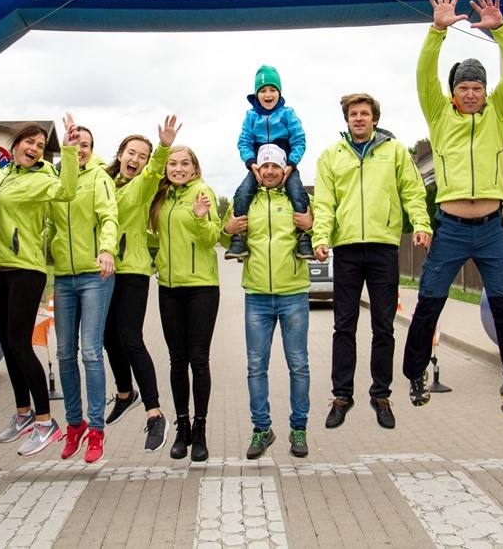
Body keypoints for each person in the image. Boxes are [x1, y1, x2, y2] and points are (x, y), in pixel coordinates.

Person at [402, 0, 503, 417]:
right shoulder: (439, 116)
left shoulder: (497, 112)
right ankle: (415, 372)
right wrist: (436, 32)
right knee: (429, 301)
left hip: (492, 229)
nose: (471, 93)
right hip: (451, 228)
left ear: (485, 91)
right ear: (454, 92)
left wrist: (502, 32)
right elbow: (423, 76)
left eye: (477, 87)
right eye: (464, 87)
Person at [313, 93, 432, 430]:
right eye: (353, 114)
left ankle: (381, 394)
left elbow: (412, 190)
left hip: (383, 249)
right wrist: (320, 237)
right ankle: (342, 396)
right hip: (348, 250)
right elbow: (324, 203)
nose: (359, 118)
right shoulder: (330, 157)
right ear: (346, 119)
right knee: (343, 326)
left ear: (375, 119)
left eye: (365, 113)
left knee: (384, 326)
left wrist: (421, 223)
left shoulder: (394, 151)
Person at [0, 116, 79, 456]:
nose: (34, 148)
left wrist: (66, 152)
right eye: (29, 142)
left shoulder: (42, 178)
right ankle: (22, 413)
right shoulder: (4, 174)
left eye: (40, 146)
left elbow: (67, 190)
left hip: (27, 269)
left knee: (21, 346)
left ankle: (45, 422)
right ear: (16, 144)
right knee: (8, 346)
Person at [223, 143, 313, 459]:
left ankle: (298, 428)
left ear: (284, 168)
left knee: (298, 365)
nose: (271, 171)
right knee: (256, 366)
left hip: (293, 294)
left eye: (276, 166)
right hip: (257, 297)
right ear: (257, 170)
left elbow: (327, 227)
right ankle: (262, 429)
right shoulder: (247, 200)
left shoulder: (299, 199)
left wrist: (313, 224)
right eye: (265, 167)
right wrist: (227, 227)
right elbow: (223, 236)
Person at [102, 116, 181, 454]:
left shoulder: (143, 185)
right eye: (131, 153)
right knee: (106, 338)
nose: (136, 160)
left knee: (130, 338)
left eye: (142, 156)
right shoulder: (101, 182)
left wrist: (162, 148)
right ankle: (124, 393)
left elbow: (154, 172)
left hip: (131, 270)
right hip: (101, 271)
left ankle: (154, 412)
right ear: (119, 154)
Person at [49, 126, 118, 465]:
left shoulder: (100, 178)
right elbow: (47, 224)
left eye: (86, 145)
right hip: (62, 276)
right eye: (75, 145)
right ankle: (74, 425)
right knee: (64, 352)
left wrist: (106, 250)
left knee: (90, 352)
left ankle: (96, 431)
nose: (81, 150)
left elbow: (109, 217)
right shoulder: (56, 178)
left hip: (94, 275)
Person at [150, 146, 220, 461]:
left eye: (184, 163)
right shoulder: (161, 197)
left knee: (198, 360)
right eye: (173, 163)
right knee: (177, 361)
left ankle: (201, 430)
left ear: (194, 167)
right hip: (168, 287)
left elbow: (212, 238)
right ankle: (182, 428)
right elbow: (154, 238)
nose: (178, 168)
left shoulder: (202, 191)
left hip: (202, 287)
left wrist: (200, 217)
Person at [225, 65, 313, 261]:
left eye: (272, 89)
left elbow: (299, 139)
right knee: (243, 191)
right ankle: (238, 238)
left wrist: (291, 164)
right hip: (260, 166)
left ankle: (304, 237)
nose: (268, 94)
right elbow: (244, 141)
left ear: (279, 92)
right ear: (256, 94)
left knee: (297, 191)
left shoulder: (287, 113)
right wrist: (251, 163)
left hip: (285, 165)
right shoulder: (251, 116)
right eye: (263, 90)